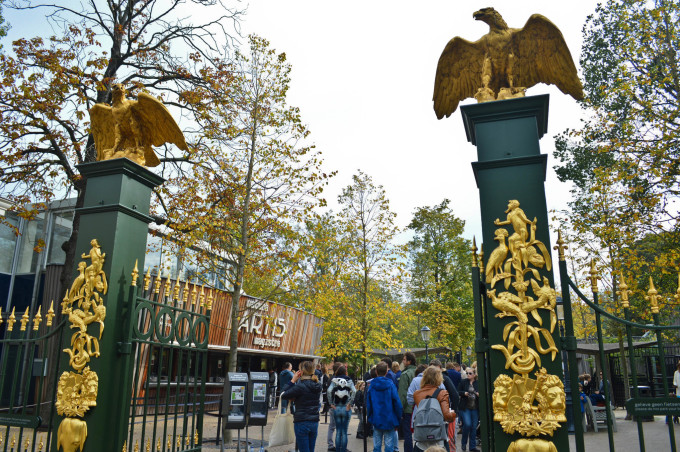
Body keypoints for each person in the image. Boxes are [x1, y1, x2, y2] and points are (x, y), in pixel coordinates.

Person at [280, 361, 322, 452]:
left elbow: (283, 394)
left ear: (301, 372)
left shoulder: (300, 386)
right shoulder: (318, 385)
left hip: (302, 421)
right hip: (314, 421)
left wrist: (292, 380)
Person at [413, 366, 455, 452]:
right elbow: (447, 416)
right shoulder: (442, 393)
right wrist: (453, 414)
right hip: (438, 438)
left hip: (421, 437)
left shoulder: (417, 394)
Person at [367, 361, 403, 452]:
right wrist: (398, 417)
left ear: (376, 372)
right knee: (389, 446)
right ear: (386, 372)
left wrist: (370, 417)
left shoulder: (371, 385)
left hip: (376, 418)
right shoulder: (390, 384)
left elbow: (369, 404)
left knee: (377, 446)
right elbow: (397, 402)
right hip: (389, 419)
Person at [328, 365, 356, 452]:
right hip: (345, 407)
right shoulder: (349, 380)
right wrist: (350, 403)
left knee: (338, 431)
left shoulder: (334, 380)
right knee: (344, 432)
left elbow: (329, 391)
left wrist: (331, 403)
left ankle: (337, 450)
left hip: (336, 407)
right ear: (345, 372)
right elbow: (354, 391)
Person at [398, 352, 418, 452]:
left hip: (408, 409)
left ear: (409, 361)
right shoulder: (419, 372)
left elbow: (402, 394)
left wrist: (399, 409)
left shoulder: (405, 374)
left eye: (404, 359)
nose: (403, 361)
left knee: (408, 434)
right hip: (420, 407)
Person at [457, 367, 479, 452]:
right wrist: (464, 393)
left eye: (470, 373)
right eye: (467, 373)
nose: (468, 375)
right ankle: (463, 442)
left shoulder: (478, 383)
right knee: (468, 424)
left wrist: (478, 394)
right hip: (465, 407)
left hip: (475, 408)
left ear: (474, 375)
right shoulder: (463, 382)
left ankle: (472, 447)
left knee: (474, 427)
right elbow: (457, 391)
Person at [327, 362, 342, 451]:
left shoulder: (332, 379)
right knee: (335, 427)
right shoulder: (335, 379)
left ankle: (332, 445)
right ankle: (332, 445)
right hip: (336, 406)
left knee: (333, 426)